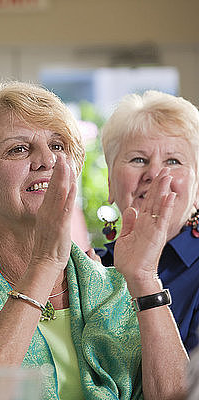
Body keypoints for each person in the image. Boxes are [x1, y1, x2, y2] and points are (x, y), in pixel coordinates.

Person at [0, 81, 188, 400]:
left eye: (57, 146)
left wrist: (145, 279)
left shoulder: (115, 289)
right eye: (18, 149)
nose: (46, 161)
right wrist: (44, 264)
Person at [91, 90, 199, 353]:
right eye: (138, 159)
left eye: (173, 160)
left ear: (197, 189)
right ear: (110, 184)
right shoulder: (91, 270)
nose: (154, 174)